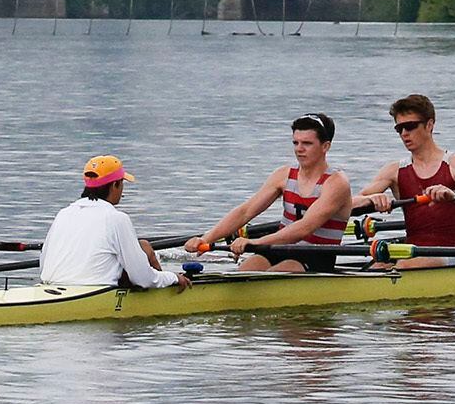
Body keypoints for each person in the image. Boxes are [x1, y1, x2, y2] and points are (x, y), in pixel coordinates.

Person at [188, 113, 355, 273]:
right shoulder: (283, 175)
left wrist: (255, 242)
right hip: (280, 247)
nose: (299, 149)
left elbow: (304, 228)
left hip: (316, 255)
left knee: (282, 270)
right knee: (249, 267)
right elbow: (245, 211)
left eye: (307, 143)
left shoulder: (336, 183)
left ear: (325, 146)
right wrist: (206, 238)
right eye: (295, 143)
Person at [358, 94, 455, 267]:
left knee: (403, 267)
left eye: (410, 126)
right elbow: (353, 203)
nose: (404, 134)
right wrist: (371, 199)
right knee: (376, 267)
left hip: (450, 252)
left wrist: (454, 196)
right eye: (399, 129)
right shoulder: (394, 170)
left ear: (429, 125)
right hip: (411, 252)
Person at [35, 154, 189, 292]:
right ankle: (163, 297)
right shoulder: (117, 218)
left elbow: (43, 265)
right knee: (144, 249)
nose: (122, 191)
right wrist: (173, 277)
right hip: (94, 294)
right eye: (122, 183)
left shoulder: (64, 213)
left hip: (50, 286)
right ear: (115, 185)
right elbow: (142, 278)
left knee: (143, 247)